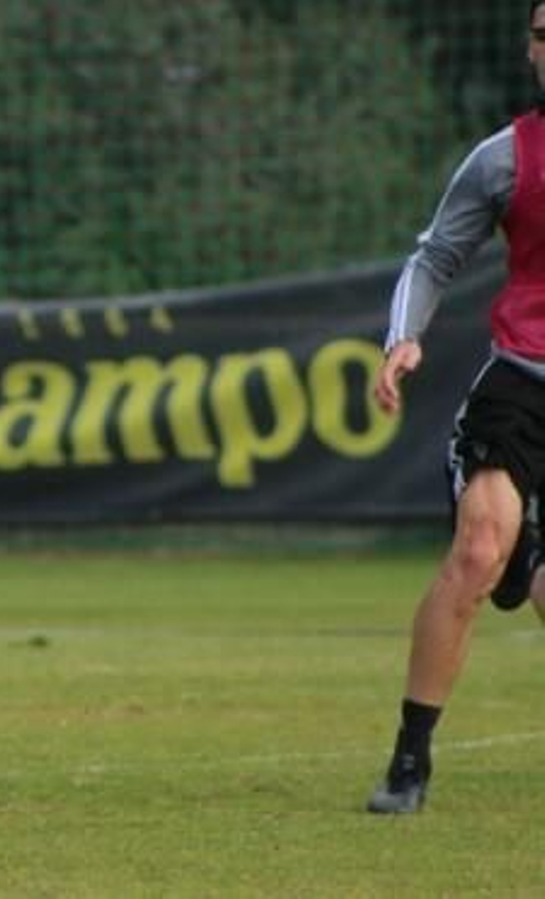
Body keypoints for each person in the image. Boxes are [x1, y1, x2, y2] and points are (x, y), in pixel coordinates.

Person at [366, 1, 545, 814]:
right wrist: (404, 336)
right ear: (532, 51)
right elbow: (436, 254)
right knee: (478, 554)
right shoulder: (506, 157)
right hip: (517, 383)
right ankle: (410, 759)